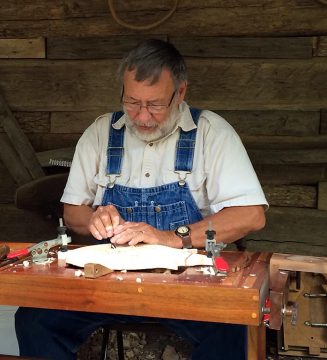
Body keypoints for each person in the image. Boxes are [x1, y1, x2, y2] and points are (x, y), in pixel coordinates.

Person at [15, 39, 268, 360]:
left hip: (188, 287)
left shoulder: (211, 133)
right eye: (132, 102)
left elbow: (251, 215)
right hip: (105, 284)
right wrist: (93, 218)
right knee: (35, 321)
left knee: (231, 327)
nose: (142, 116)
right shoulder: (100, 133)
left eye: (155, 104)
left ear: (181, 92)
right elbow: (73, 211)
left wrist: (169, 238)